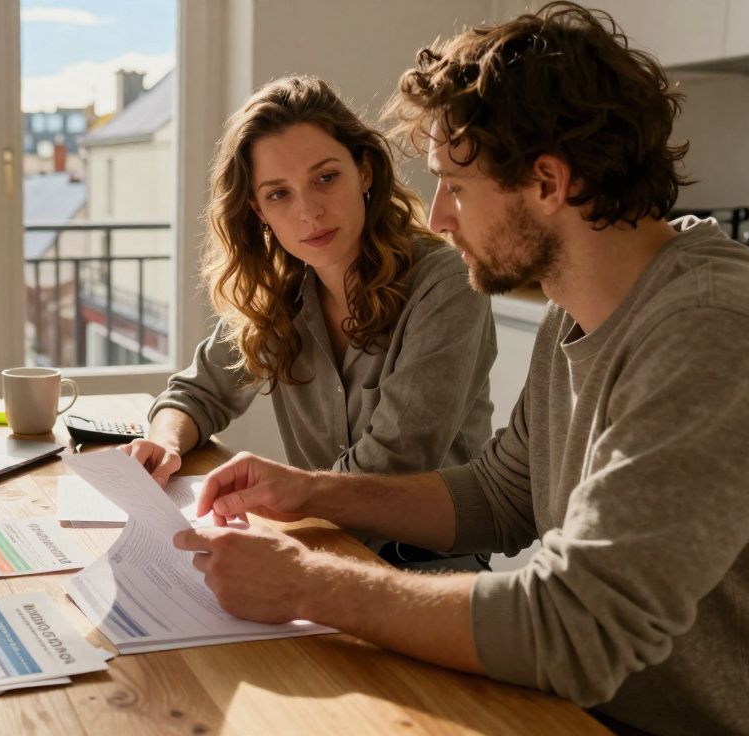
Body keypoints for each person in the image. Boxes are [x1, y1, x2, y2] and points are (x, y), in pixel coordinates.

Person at [171, 3, 749, 734]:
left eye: (455, 187)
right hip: (566, 706)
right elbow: (500, 495)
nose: (436, 218)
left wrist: (307, 582)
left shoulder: (712, 328)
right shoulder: (576, 309)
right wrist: (311, 489)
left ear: (549, 183)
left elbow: (576, 626)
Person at [124, 75, 496, 568]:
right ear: (257, 208)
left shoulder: (444, 284)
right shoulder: (279, 292)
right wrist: (165, 441)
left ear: (364, 172)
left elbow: (391, 467)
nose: (310, 212)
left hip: (426, 567)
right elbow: (197, 393)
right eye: (279, 194)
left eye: (325, 178)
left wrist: (271, 522)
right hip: (320, 545)